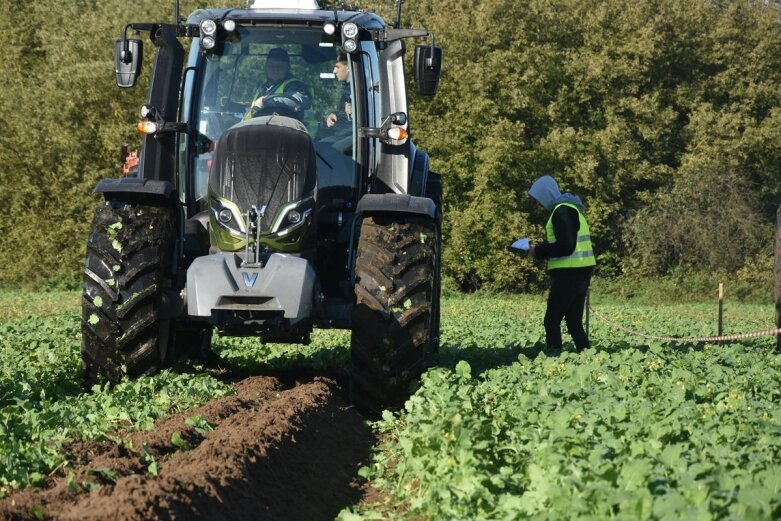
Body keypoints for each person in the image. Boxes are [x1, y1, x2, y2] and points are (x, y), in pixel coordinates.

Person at [527, 175, 596, 352]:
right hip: (580, 272)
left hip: (569, 275)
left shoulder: (562, 211)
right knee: (573, 322)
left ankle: (554, 358)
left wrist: (539, 251)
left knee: (551, 320)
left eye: (538, 199)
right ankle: (587, 356)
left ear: (545, 194)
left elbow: (566, 246)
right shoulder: (571, 208)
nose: (538, 204)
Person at [246, 47, 311, 120]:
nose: (275, 70)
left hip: (296, 130)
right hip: (254, 128)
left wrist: (266, 101)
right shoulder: (262, 88)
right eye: (271, 65)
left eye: (280, 66)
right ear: (266, 67)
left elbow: (296, 100)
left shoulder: (296, 86)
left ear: (288, 68)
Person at [324, 54, 352, 132]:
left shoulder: (361, 89)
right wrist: (335, 115)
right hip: (341, 133)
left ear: (348, 67)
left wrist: (355, 111)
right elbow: (345, 114)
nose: (334, 71)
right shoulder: (347, 88)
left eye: (337, 67)